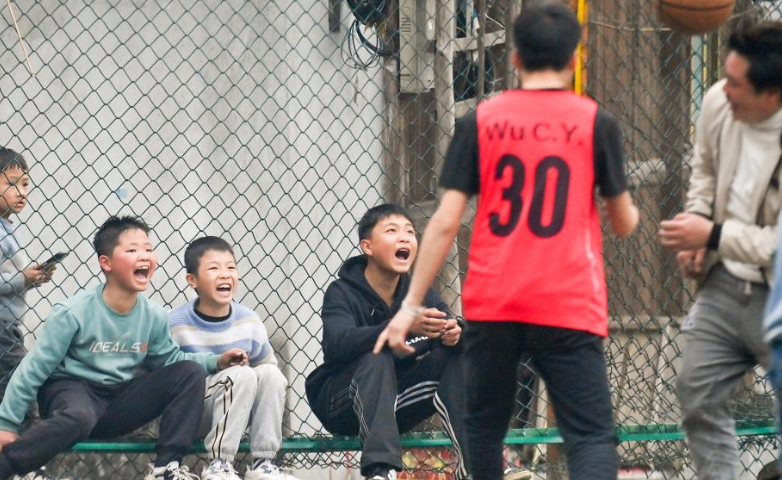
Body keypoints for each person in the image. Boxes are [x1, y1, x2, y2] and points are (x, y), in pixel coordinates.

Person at [374, 2, 640, 480]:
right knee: (591, 436)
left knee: (483, 428)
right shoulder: (595, 122)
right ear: (576, 57)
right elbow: (622, 223)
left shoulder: (481, 120)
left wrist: (411, 303)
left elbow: (444, 221)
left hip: (497, 299)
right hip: (567, 298)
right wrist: (620, 207)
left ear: (515, 58)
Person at [0, 216, 248, 480]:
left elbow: (170, 360)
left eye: (148, 249)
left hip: (117, 400)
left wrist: (216, 362)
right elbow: (33, 369)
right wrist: (8, 423)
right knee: (79, 416)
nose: (144, 256)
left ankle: (165, 469)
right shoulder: (72, 313)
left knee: (188, 371)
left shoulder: (153, 315)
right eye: (132, 250)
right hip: (72, 393)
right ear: (106, 263)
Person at [659, 21, 782, 480]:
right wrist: (698, 231)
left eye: (737, 82)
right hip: (727, 283)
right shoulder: (718, 103)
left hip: (777, 290)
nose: (724, 88)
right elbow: (705, 171)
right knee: (697, 392)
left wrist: (710, 234)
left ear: (771, 94)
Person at [306, 204, 469, 480]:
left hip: (396, 402)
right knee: (376, 356)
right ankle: (381, 472)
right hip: (342, 403)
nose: (404, 237)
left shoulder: (418, 292)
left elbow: (449, 324)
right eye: (392, 231)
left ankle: (478, 467)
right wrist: (399, 326)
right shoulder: (342, 292)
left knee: (455, 356)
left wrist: (454, 334)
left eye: (409, 232)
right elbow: (336, 344)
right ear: (367, 246)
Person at [169, 236, 299, 480]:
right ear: (192, 280)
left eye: (230, 267)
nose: (225, 274)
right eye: (213, 268)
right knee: (240, 374)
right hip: (195, 412)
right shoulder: (175, 323)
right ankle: (219, 465)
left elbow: (267, 371)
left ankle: (264, 463)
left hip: (239, 410)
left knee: (271, 374)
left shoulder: (248, 319)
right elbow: (167, 376)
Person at [0, 148, 55, 429]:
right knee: (20, 401)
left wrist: (30, 278)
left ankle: (0, 470)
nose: (21, 191)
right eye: (11, 184)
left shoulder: (4, 227)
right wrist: (21, 280)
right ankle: (29, 469)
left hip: (0, 329)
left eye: (25, 184)